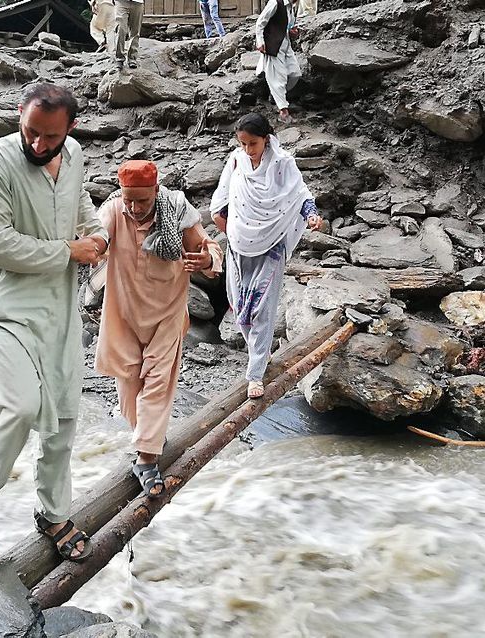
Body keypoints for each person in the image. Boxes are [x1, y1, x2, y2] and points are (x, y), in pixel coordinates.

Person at [0, 83, 109, 570]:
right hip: (5, 307)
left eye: (51, 137)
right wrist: (69, 252)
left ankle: (53, 514)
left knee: (63, 420)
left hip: (61, 309)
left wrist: (98, 233)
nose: (39, 145)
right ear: (18, 116)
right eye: (31, 133)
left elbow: (79, 204)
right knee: (17, 408)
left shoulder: (76, 154)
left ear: (71, 130)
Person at [94, 160, 223, 497]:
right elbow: (95, 238)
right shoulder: (113, 212)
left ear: (156, 190)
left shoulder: (179, 211)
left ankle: (147, 459)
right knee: (128, 393)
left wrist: (206, 260)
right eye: (129, 200)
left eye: (143, 201)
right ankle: (149, 436)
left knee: (158, 384)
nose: (135, 208)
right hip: (123, 316)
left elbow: (209, 248)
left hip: (166, 315)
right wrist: (88, 248)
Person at [210, 113, 323, 399]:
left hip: (271, 243)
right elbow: (221, 201)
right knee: (239, 306)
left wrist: (311, 216)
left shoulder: (283, 163)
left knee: (262, 307)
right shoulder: (236, 161)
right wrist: (228, 227)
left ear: (267, 138)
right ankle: (259, 354)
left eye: (253, 144)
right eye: (243, 143)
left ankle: (255, 374)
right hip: (238, 244)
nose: (248, 150)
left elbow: (299, 195)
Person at [254, 0, 302, 123]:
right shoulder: (275, 3)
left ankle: (276, 97)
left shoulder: (291, 6)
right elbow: (260, 22)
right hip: (273, 46)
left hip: (286, 45)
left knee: (295, 74)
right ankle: (283, 112)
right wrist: (260, 41)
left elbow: (286, 25)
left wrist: (291, 31)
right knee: (278, 79)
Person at [113, 0, 144, 71]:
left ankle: (132, 58)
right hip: (121, 2)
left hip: (138, 2)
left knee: (135, 31)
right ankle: (119, 58)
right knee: (120, 29)